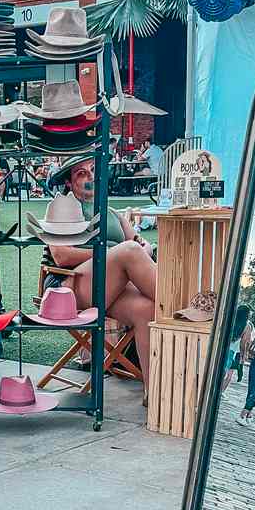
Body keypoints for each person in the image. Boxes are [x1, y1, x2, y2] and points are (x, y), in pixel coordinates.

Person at [44, 153, 158, 391]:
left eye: (93, 170)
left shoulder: (112, 212)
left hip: (109, 286)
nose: (90, 177)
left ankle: (154, 391)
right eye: (81, 173)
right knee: (127, 250)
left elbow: (142, 243)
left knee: (147, 309)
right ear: (69, 182)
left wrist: (127, 253)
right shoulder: (60, 207)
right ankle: (180, 305)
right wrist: (113, 255)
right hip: (67, 286)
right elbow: (61, 255)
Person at [222, 305, 254, 393]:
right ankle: (218, 392)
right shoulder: (246, 326)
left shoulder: (228, 319)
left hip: (220, 348)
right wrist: (243, 356)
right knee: (223, 372)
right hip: (231, 351)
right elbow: (243, 344)